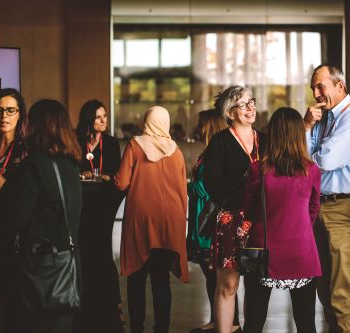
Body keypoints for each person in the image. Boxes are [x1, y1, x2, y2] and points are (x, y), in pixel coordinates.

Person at [0, 99, 82, 332]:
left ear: (36, 127)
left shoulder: (32, 168)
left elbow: (8, 223)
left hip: (38, 277)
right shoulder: (70, 167)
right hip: (66, 273)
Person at [303, 63, 350, 333]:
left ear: (340, 86)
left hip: (346, 209)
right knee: (325, 289)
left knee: (342, 292)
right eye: (313, 88)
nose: (316, 93)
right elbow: (305, 152)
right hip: (320, 207)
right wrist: (307, 125)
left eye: (321, 86)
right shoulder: (326, 118)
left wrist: (305, 161)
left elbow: (327, 159)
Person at [242, 107, 322, 333]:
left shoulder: (258, 169)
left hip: (264, 253)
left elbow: (248, 210)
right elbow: (314, 207)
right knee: (306, 322)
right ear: (298, 134)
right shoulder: (311, 170)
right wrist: (301, 226)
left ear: (273, 133)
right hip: (301, 252)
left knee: (255, 321)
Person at [114, 106, 189, 333]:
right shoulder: (176, 151)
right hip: (170, 222)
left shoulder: (136, 146)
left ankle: (137, 328)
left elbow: (121, 183)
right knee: (161, 279)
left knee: (137, 278)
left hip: (142, 221)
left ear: (147, 120)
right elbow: (182, 190)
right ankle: (161, 329)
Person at [203, 85, 265, 333]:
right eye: (243, 104)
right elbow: (213, 184)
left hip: (260, 220)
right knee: (228, 285)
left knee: (257, 285)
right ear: (230, 112)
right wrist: (247, 185)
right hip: (231, 221)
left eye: (252, 101)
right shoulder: (220, 142)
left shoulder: (266, 139)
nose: (250, 108)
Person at [187, 109, 242, 333]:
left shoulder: (216, 154)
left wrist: (193, 186)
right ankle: (216, 319)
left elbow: (210, 186)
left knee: (218, 274)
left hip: (210, 222)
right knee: (212, 274)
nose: (198, 128)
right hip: (202, 218)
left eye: (201, 124)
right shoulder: (208, 152)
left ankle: (232, 322)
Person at [74, 99, 124, 332]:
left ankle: (112, 305)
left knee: (102, 250)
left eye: (105, 116)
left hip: (103, 203)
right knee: (83, 250)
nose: (104, 121)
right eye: (98, 117)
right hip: (81, 202)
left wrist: (102, 176)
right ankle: (83, 303)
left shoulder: (112, 143)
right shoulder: (76, 140)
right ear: (88, 119)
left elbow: (116, 174)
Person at [0, 88, 28, 332]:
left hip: (13, 236)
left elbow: (31, 197)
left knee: (9, 296)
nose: (4, 116)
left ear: (19, 115)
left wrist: (5, 185)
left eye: (10, 110)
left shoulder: (26, 151)